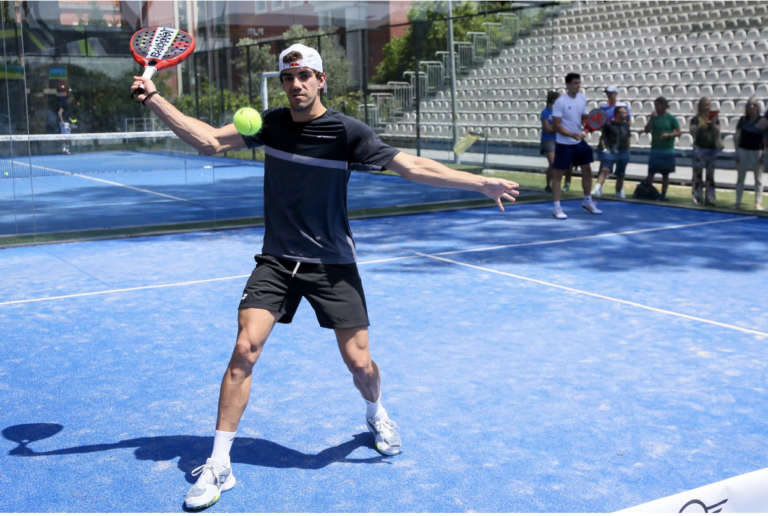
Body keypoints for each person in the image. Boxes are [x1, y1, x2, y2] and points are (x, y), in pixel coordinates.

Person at [130, 43, 519, 511]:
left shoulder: (347, 133)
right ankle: (220, 463)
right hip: (276, 261)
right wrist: (154, 98)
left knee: (360, 366)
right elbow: (209, 140)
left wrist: (481, 183)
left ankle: (376, 413)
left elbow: (412, 166)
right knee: (243, 349)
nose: (296, 85)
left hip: (332, 265)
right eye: (288, 78)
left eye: (305, 76)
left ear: (321, 80)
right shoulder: (270, 125)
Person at [550, 72, 602, 219]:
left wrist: (590, 124)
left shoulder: (582, 98)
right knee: (558, 175)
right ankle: (557, 208)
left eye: (579, 83)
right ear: (567, 85)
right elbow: (556, 126)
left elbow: (584, 117)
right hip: (564, 144)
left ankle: (587, 201)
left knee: (587, 169)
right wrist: (573, 134)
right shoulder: (560, 102)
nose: (577, 86)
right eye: (574, 83)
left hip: (579, 142)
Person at [642, 96, 681, 201]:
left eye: (658, 105)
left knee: (665, 174)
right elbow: (646, 130)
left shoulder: (671, 118)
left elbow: (678, 132)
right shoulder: (654, 118)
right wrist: (651, 119)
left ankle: (663, 194)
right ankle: (648, 193)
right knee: (651, 173)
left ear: (664, 106)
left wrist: (669, 135)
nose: (656, 107)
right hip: (655, 149)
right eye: (655, 105)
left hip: (667, 150)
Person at [592, 105, 631, 198]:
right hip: (610, 151)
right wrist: (605, 149)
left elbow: (628, 139)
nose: (625, 114)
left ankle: (619, 192)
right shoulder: (608, 124)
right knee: (605, 170)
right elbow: (602, 139)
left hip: (623, 152)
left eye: (626, 112)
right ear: (617, 114)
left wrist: (628, 151)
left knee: (621, 174)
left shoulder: (626, 125)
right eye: (623, 112)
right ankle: (597, 188)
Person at [734, 98, 765, 210]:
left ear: (757, 106)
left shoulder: (762, 121)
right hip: (743, 150)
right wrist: (736, 151)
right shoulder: (742, 120)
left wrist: (765, 153)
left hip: (758, 151)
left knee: (758, 179)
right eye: (748, 105)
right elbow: (737, 136)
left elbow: (766, 138)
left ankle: (758, 203)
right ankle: (738, 202)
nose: (750, 106)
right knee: (740, 178)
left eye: (752, 104)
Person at [689, 97, 722, 206]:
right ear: (700, 106)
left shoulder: (715, 118)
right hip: (699, 148)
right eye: (704, 105)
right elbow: (693, 132)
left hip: (711, 149)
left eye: (708, 105)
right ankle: (697, 197)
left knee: (710, 176)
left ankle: (710, 198)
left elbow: (718, 132)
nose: (706, 107)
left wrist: (712, 123)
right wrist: (703, 123)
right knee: (697, 175)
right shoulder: (695, 119)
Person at [540, 90, 559, 193]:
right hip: (548, 140)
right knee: (553, 163)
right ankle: (549, 185)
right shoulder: (545, 112)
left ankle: (552, 185)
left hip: (558, 140)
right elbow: (547, 129)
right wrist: (558, 127)